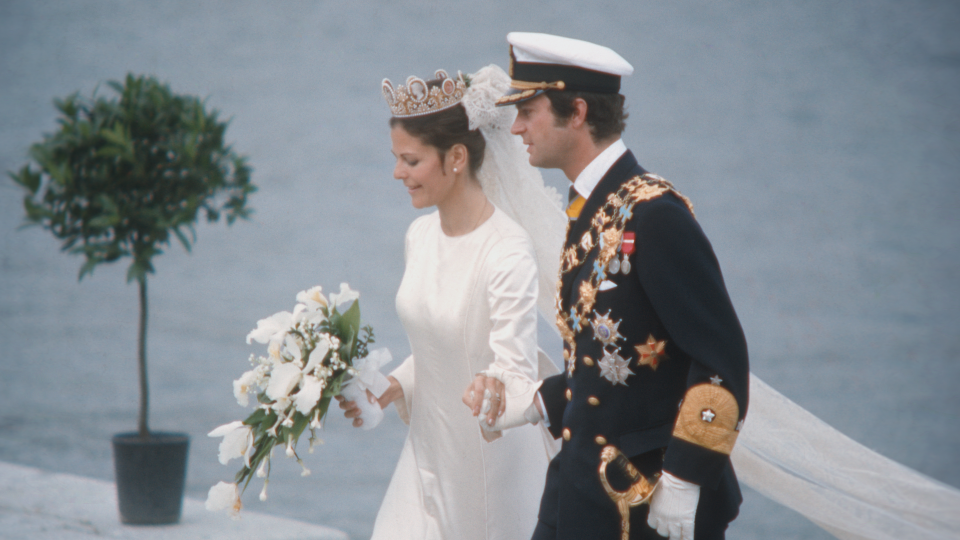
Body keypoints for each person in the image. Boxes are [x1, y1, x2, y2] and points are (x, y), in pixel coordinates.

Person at [479, 33, 751, 540]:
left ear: (577, 111)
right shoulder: (594, 203)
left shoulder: (654, 216)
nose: (516, 128)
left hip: (646, 498)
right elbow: (610, 360)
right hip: (580, 489)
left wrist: (686, 478)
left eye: (528, 111)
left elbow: (722, 360)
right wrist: (541, 401)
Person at [336, 65, 562, 540]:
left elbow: (513, 366)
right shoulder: (419, 236)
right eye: (397, 159)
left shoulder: (506, 249)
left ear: (456, 157)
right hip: (426, 453)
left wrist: (493, 384)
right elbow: (443, 341)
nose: (398, 173)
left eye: (411, 161)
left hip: (487, 468)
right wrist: (392, 385)